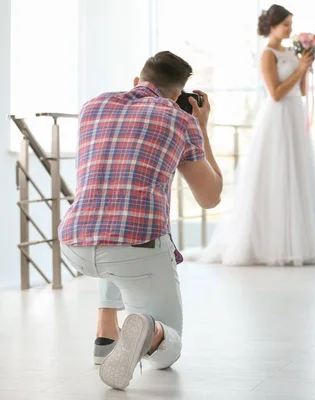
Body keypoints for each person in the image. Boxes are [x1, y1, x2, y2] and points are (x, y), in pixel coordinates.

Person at [58, 51, 223, 390]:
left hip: (74, 242)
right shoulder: (181, 120)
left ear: (138, 81)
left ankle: (106, 332)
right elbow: (210, 198)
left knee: (114, 225)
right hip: (136, 250)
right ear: (179, 97)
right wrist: (201, 127)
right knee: (168, 349)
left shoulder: (93, 106)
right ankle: (149, 330)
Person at [193, 4, 315, 266]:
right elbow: (276, 93)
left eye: (291, 24)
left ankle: (299, 244)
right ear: (272, 25)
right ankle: (269, 244)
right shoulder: (267, 54)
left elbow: (301, 91)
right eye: (286, 25)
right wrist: (300, 69)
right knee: (275, 175)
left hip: (294, 116)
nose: (290, 29)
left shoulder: (293, 51)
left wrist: (306, 65)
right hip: (277, 118)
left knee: (297, 175)